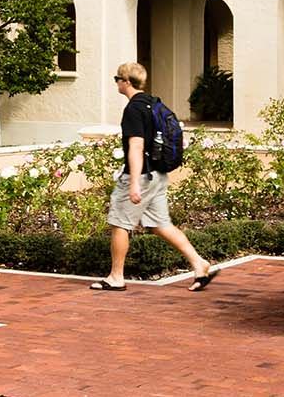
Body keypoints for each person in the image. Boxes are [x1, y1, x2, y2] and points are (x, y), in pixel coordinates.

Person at [92, 62, 215, 292]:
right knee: (160, 224)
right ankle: (199, 263)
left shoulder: (133, 109)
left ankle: (116, 277)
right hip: (158, 174)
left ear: (126, 81)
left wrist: (134, 183)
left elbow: (136, 146)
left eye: (117, 78)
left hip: (142, 176)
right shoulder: (153, 103)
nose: (116, 82)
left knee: (119, 222)